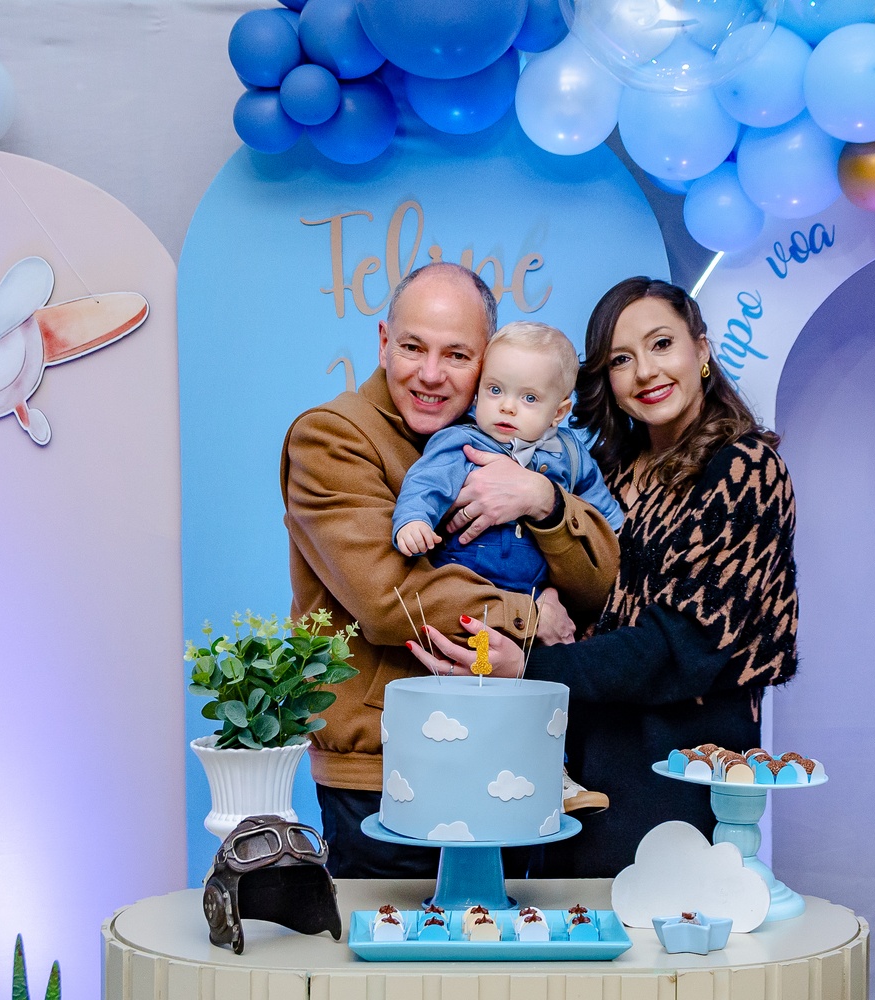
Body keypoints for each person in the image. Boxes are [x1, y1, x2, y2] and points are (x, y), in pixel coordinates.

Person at [405, 276, 799, 877]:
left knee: (649, 923)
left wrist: (529, 665)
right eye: (621, 359)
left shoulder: (745, 469)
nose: (645, 371)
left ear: (702, 348)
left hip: (674, 758)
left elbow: (683, 647)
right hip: (573, 747)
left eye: (661, 344)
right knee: (559, 922)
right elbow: (580, 593)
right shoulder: (605, 470)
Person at [280, 262, 620, 878]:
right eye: (413, 347)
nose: (431, 374)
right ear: (384, 342)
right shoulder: (331, 437)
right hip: (387, 771)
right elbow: (390, 598)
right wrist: (531, 616)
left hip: (510, 755)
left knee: (510, 939)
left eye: (457, 355)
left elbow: (603, 584)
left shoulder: (529, 447)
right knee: (399, 940)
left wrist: (542, 500)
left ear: (486, 362)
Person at [393, 319, 623, 814]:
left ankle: (553, 775)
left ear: (559, 411)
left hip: (535, 596)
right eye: (495, 390)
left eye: (529, 398)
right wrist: (413, 521)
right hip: (474, 592)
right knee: (473, 691)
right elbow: (425, 484)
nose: (507, 407)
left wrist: (608, 527)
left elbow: (601, 514)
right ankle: (464, 781)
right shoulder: (461, 442)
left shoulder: (569, 455)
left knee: (540, 695)